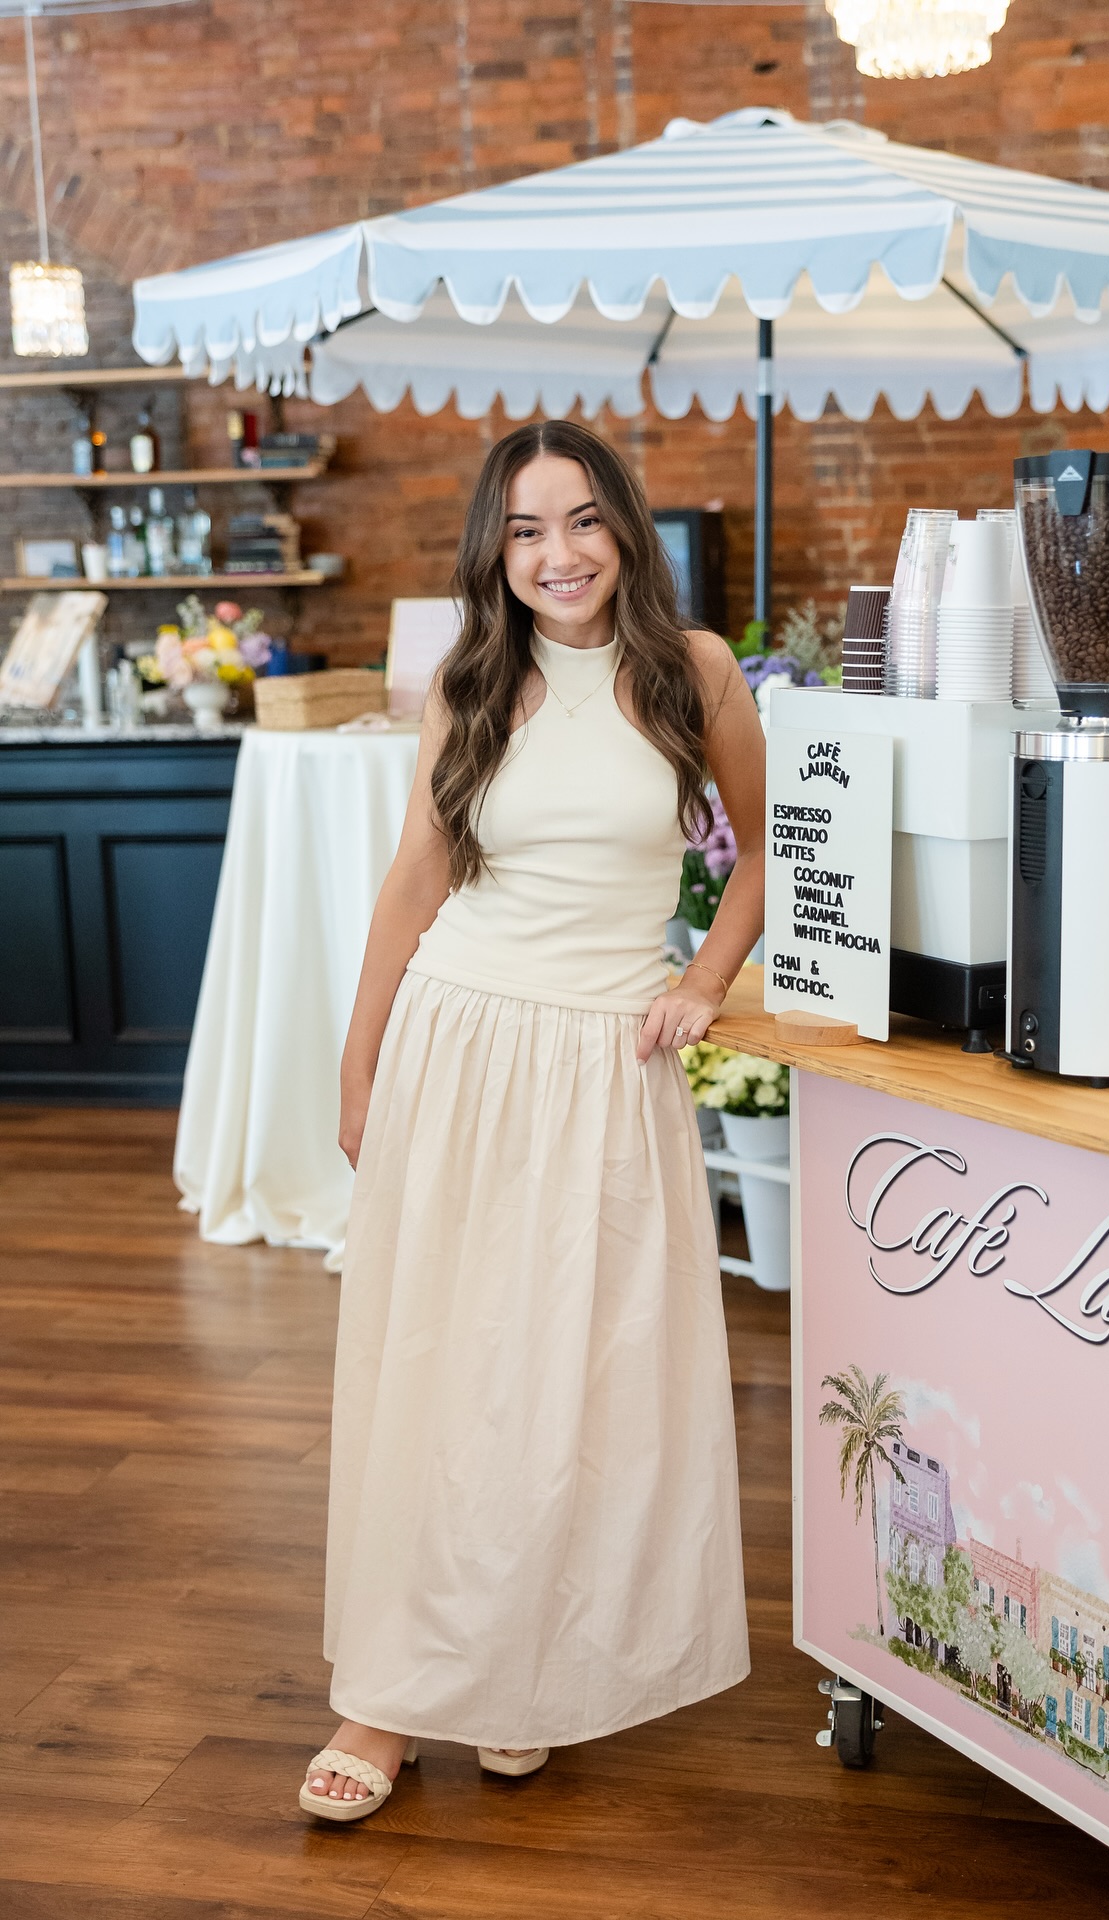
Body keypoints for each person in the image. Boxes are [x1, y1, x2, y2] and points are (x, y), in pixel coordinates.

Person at [298, 420, 765, 1821]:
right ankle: (384, 1704)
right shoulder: (471, 682)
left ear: (624, 527)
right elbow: (413, 881)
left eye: (580, 520)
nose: (557, 554)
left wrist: (701, 980)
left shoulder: (697, 674)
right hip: (460, 1046)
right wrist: (359, 1066)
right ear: (492, 553)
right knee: (444, 1378)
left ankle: (523, 1679)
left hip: (605, 1069)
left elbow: (762, 858)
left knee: (577, 1388)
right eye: (523, 531)